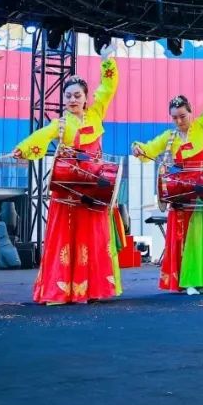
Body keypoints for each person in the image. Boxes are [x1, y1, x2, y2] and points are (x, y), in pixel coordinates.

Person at [13, 49, 123, 304]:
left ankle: (92, 289)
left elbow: (108, 87)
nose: (72, 99)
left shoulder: (96, 114)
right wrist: (23, 149)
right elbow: (39, 137)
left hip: (93, 188)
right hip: (68, 191)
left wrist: (107, 61)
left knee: (93, 237)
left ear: (86, 98)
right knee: (64, 238)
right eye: (68, 96)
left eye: (77, 95)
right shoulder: (60, 124)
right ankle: (62, 290)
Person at [131, 65, 203, 295]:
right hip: (182, 197)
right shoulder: (169, 138)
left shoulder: (201, 126)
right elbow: (150, 149)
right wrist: (138, 148)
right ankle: (187, 280)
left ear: (191, 113)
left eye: (183, 116)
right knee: (187, 238)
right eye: (175, 117)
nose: (179, 121)